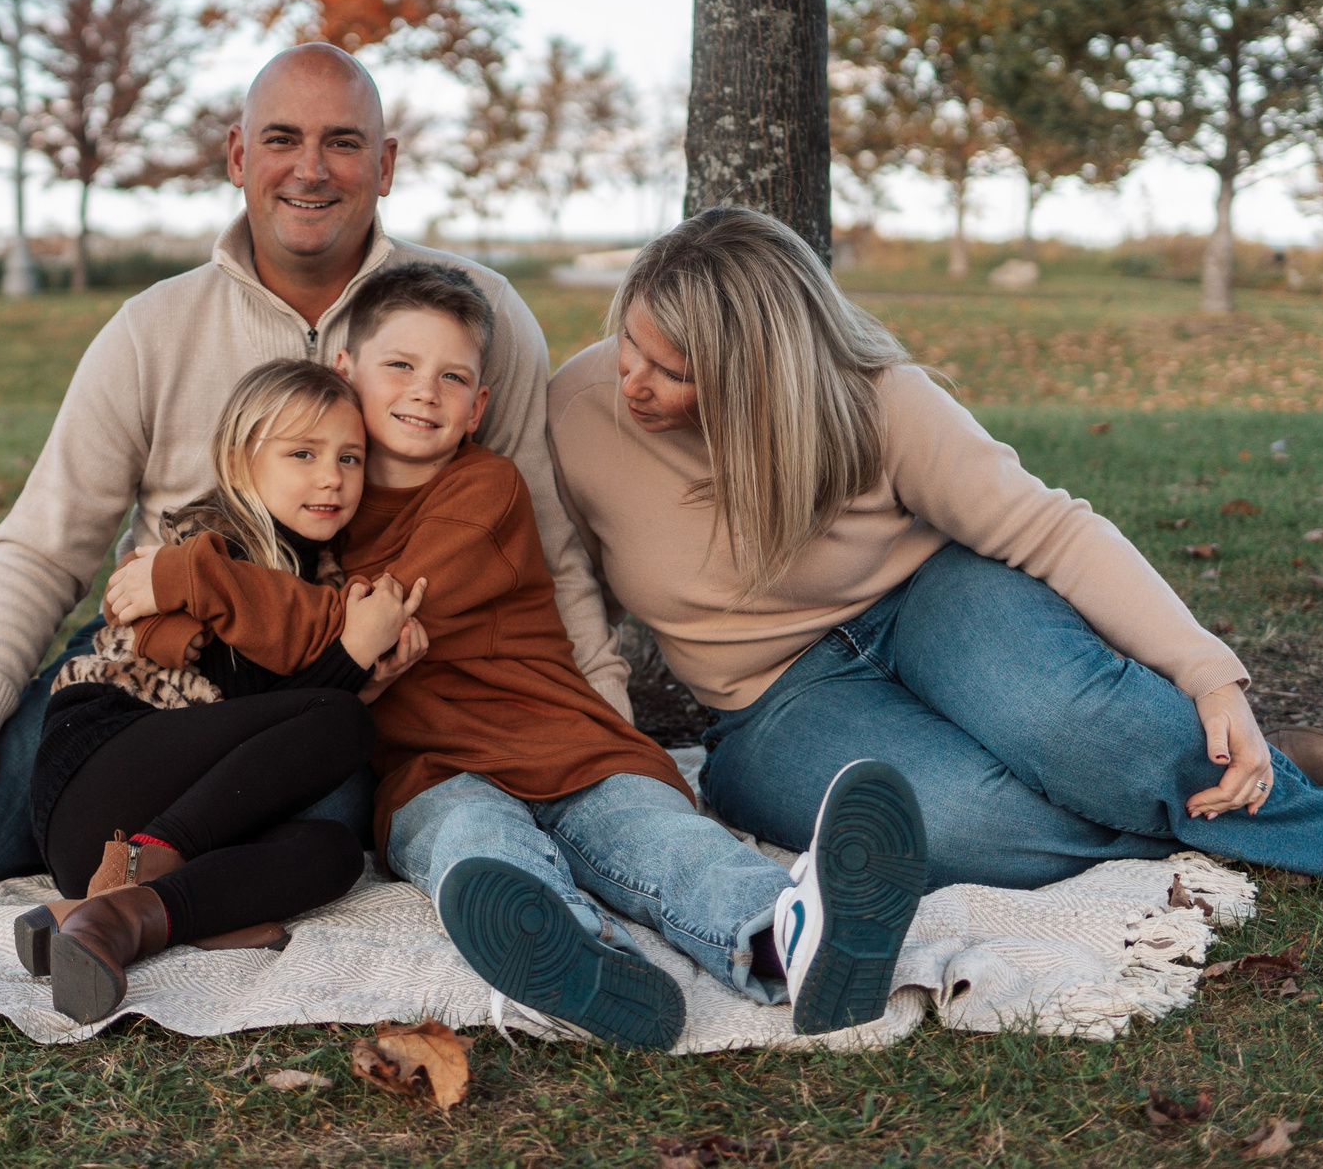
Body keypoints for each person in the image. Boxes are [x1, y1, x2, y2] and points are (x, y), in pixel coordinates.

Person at [0, 44, 630, 884]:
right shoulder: (153, 329)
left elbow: (548, 544)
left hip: (342, 683)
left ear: (386, 161)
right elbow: (44, 544)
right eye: (282, 139)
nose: (311, 169)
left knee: (314, 849)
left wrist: (612, 730)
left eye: (342, 141)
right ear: (239, 156)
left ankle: (146, 883)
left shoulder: (472, 316)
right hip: (163, 663)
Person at [545, 207, 1323, 896]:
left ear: (763, 373)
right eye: (629, 341)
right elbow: (574, 592)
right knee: (960, 827)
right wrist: (616, 742)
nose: (632, 378)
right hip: (768, 704)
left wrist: (1208, 674)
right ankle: (1216, 793)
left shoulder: (876, 400)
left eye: (674, 369)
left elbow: (1053, 529)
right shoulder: (577, 410)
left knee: (1083, 728)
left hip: (930, 599)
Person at [107, 262, 930, 1045]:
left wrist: (185, 576)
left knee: (663, 844)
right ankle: (577, 962)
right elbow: (243, 634)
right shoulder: (310, 512)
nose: (425, 392)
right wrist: (175, 617)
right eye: (400, 365)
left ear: (478, 407)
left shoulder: (484, 489)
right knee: (474, 851)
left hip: (566, 745)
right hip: (430, 771)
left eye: (453, 378)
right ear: (344, 369)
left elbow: (365, 622)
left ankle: (794, 935)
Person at [11, 358, 427, 1023]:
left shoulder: (316, 580)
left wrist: (372, 676)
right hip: (105, 761)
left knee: (332, 851)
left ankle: (120, 918)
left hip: (123, 841)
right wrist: (353, 655)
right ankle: (151, 869)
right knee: (343, 722)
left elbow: (271, 728)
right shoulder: (210, 551)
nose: (332, 476)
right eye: (304, 453)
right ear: (240, 462)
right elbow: (244, 696)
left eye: (352, 458)